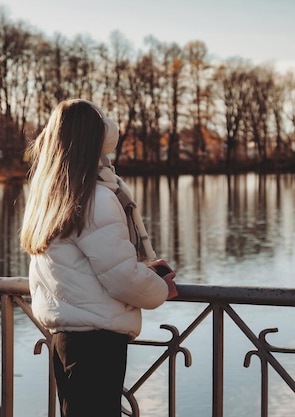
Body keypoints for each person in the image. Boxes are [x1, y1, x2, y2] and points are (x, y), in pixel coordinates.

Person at [20, 98, 178, 417]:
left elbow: (81, 266)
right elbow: (120, 277)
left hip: (63, 338)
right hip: (96, 343)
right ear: (98, 143)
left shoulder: (49, 197)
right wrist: (160, 288)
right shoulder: (97, 199)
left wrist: (143, 272)